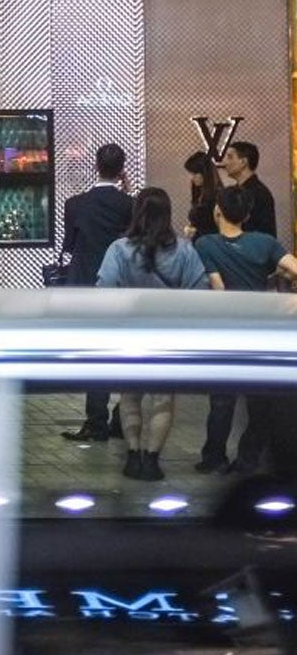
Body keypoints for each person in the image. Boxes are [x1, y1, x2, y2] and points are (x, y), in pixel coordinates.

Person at [96, 188, 208, 481]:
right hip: (169, 337)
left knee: (130, 396)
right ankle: (152, 459)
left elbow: (104, 290)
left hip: (130, 334)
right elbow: (200, 292)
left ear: (137, 212)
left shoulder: (119, 249)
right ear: (168, 214)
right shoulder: (184, 250)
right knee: (164, 398)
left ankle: (132, 455)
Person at [193, 185, 297, 475]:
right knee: (259, 401)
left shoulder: (205, 244)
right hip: (261, 333)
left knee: (222, 400)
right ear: (248, 214)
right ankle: (247, 459)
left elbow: (219, 287)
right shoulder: (265, 243)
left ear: (217, 211)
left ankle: (214, 458)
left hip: (224, 331)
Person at [56, 141, 136, 444]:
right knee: (123, 351)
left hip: (85, 285)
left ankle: (96, 420)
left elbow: (70, 245)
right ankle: (121, 415)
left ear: (96, 166)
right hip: (121, 287)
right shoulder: (129, 204)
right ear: (122, 169)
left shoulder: (76, 204)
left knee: (94, 353)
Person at [219, 141, 278, 244]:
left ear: (243, 162)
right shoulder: (235, 191)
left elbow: (266, 235)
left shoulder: (260, 194)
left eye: (230, 157)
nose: (224, 163)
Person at [183, 150, 219, 239]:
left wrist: (195, 231)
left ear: (205, 172)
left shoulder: (218, 196)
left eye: (195, 173)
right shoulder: (199, 192)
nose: (192, 177)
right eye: (191, 173)